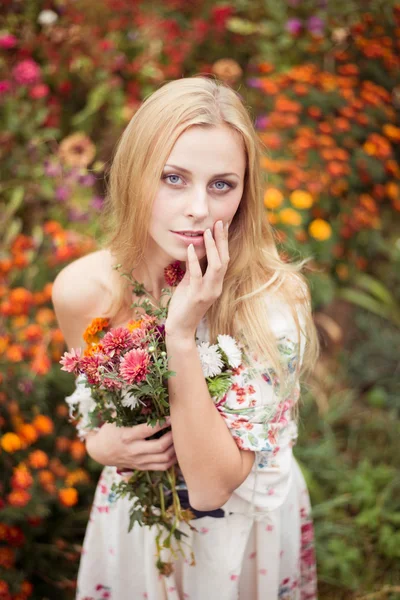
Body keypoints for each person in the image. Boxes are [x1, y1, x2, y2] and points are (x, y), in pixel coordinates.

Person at [52, 75, 320, 600]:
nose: (199, 207)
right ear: (133, 175)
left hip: (241, 542)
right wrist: (101, 445)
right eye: (173, 178)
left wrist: (180, 334)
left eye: (222, 184)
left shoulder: (272, 304)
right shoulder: (84, 291)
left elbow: (210, 484)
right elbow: (96, 410)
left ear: (245, 192)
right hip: (136, 529)